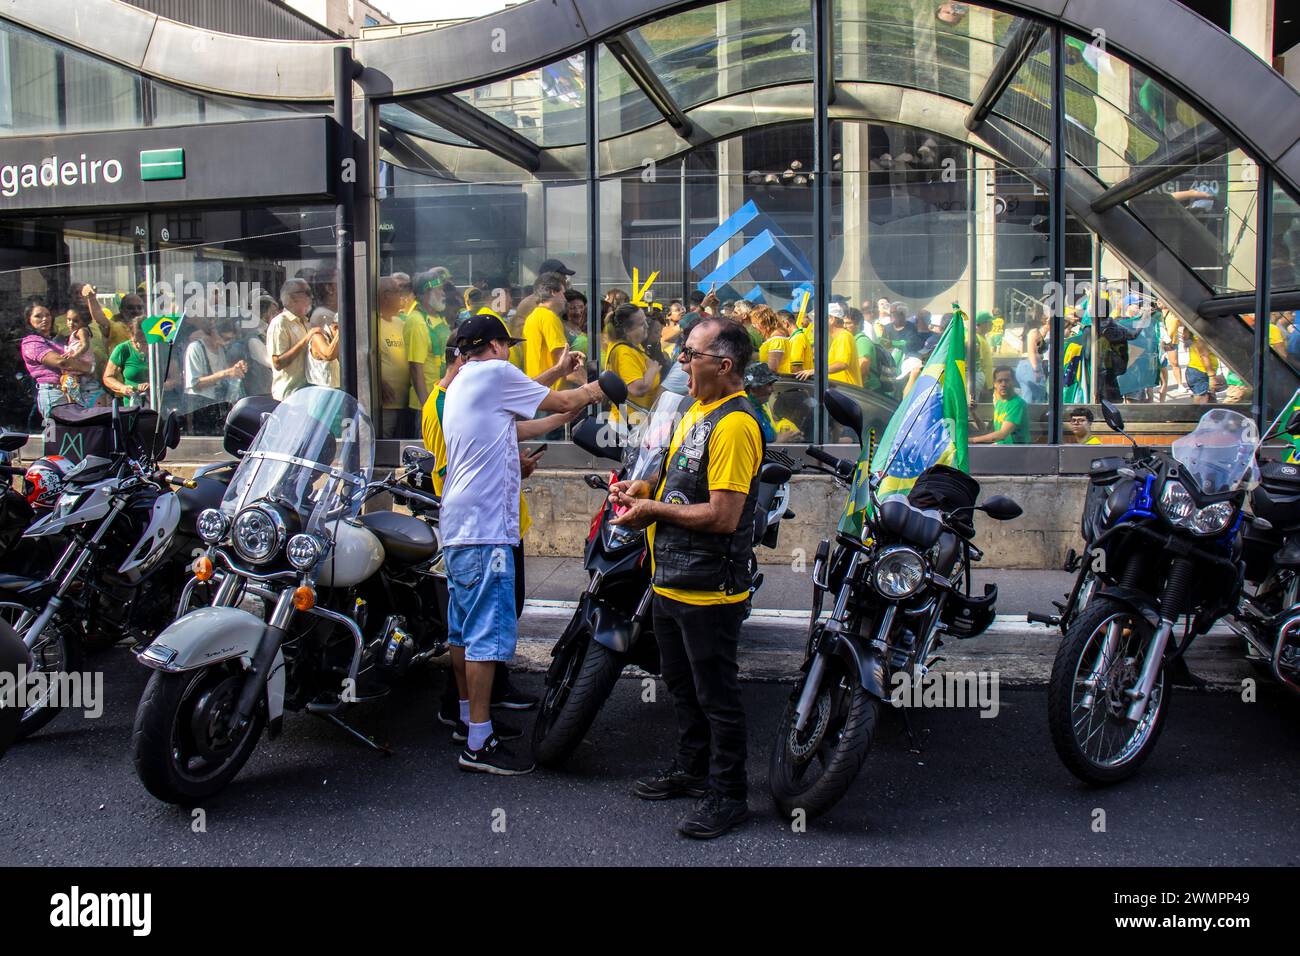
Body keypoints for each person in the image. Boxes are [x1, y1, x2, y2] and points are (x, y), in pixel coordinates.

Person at [608, 318, 762, 840]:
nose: (681, 363)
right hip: (670, 579)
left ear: (724, 365)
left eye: (690, 354)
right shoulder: (698, 409)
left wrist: (651, 510)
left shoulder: (737, 424)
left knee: (716, 694)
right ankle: (692, 770)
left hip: (708, 588)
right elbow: (677, 477)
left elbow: (723, 515)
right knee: (681, 685)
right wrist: (644, 484)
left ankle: (729, 795)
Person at [440, 314, 610, 776]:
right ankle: (479, 742)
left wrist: (560, 414)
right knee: (484, 636)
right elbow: (554, 398)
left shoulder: (463, 383)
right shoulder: (495, 373)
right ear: (495, 345)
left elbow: (516, 426)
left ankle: (466, 720)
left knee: (461, 630)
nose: (510, 352)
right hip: (486, 527)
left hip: (458, 524)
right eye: (508, 345)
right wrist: (598, 389)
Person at [424, 342, 580, 728]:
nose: (503, 360)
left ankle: (487, 698)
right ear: (465, 360)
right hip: (482, 526)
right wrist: (590, 391)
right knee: (483, 626)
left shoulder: (465, 391)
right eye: (499, 351)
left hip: (496, 522)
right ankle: (473, 723)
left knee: (490, 616)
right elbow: (467, 457)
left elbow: (514, 407)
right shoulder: (448, 401)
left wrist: (556, 386)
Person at [21, 299, 92, 425]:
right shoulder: (31, 342)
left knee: (72, 436)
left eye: (47, 315)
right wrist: (88, 368)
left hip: (71, 390)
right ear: (29, 320)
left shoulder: (56, 340)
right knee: (55, 436)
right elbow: (62, 362)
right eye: (38, 316)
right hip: (53, 393)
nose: (44, 319)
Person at [603, 303, 662, 432]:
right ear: (626, 330)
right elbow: (637, 389)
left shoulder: (633, 347)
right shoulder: (624, 352)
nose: (647, 326)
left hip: (637, 422)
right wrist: (652, 371)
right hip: (629, 425)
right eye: (641, 324)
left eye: (645, 322)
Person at [404, 270, 452, 425]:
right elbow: (415, 367)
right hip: (426, 403)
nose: (444, 294)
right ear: (426, 292)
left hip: (442, 398)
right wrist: (426, 406)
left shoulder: (438, 318)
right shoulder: (417, 321)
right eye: (439, 289)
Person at [185, 318, 247, 433]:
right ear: (214, 332)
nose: (228, 342)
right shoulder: (195, 348)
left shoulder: (221, 350)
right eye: (225, 338)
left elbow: (226, 374)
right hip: (199, 405)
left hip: (217, 404)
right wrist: (227, 372)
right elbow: (195, 384)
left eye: (231, 339)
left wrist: (236, 368)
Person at [267, 277, 314, 399]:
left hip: (307, 393)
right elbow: (277, 363)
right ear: (293, 297)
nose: (312, 297)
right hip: (289, 397)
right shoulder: (280, 323)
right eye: (308, 293)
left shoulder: (305, 322)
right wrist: (306, 340)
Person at [376, 277, 410, 438]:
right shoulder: (372, 324)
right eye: (398, 292)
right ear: (385, 296)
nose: (402, 297)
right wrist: (379, 383)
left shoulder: (400, 323)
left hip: (406, 402)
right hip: (385, 406)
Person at [971, 366, 1030, 444]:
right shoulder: (999, 402)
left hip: (1016, 452)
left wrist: (971, 440)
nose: (1003, 384)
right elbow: (987, 432)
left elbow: (1002, 434)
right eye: (1000, 381)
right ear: (994, 384)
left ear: (1013, 382)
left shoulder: (1017, 404)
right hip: (1001, 450)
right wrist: (973, 412)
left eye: (1007, 380)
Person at [102, 313, 152, 407]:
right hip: (133, 405)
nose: (139, 345)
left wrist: (153, 386)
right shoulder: (123, 349)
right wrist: (122, 388)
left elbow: (174, 379)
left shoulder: (158, 347)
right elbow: (107, 377)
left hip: (159, 404)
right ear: (131, 335)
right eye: (136, 340)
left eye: (144, 341)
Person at [743, 361, 799, 444]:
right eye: (769, 385)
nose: (772, 390)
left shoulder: (762, 409)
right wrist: (779, 441)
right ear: (753, 388)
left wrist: (789, 437)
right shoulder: (744, 414)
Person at [1016, 303, 1050, 403]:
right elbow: (1032, 351)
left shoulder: (1028, 335)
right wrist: (1036, 370)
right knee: (1038, 394)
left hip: (1023, 365)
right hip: (1031, 365)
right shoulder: (1034, 332)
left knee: (1028, 395)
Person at [827, 303, 863, 388]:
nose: (815, 322)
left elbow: (842, 364)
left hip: (847, 392)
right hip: (843, 391)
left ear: (831, 319)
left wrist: (816, 371)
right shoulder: (840, 337)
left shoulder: (844, 336)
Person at [754, 305, 789, 375]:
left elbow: (772, 368)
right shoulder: (774, 339)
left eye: (755, 324)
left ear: (762, 322)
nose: (754, 328)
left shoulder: (776, 340)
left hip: (779, 383)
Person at [306, 319, 341, 388]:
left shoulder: (334, 339)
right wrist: (341, 331)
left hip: (335, 390)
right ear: (335, 327)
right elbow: (329, 355)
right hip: (320, 390)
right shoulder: (318, 336)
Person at [564, 289, 589, 356]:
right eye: (572, 308)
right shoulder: (562, 329)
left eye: (581, 307)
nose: (578, 312)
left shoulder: (585, 327)